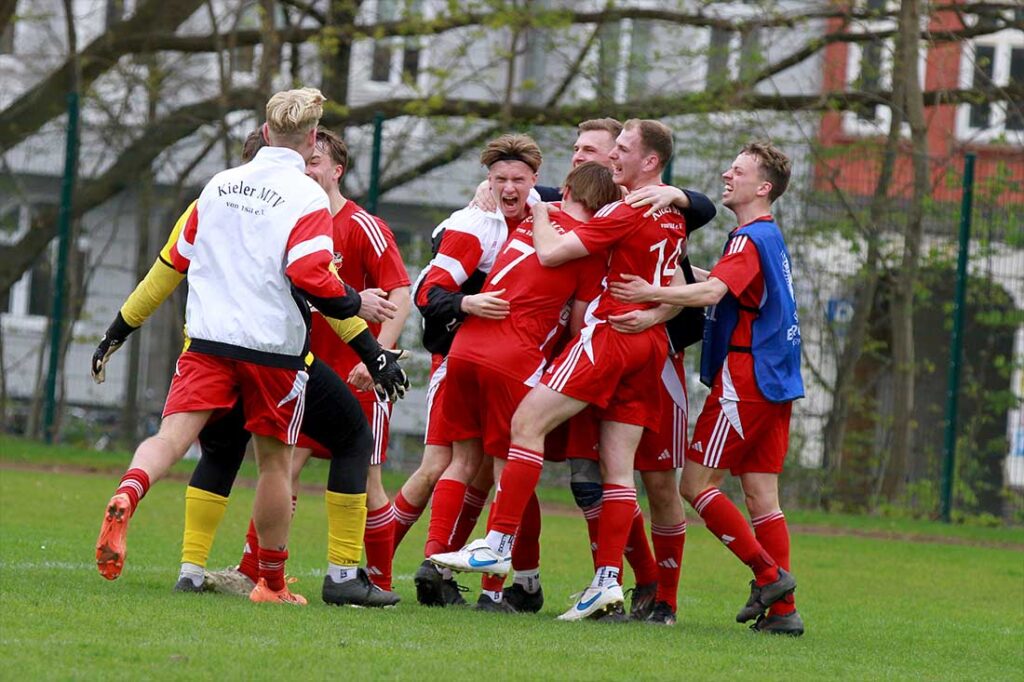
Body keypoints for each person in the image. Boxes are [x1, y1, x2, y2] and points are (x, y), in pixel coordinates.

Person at [93, 87, 395, 606]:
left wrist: (118, 330)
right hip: (272, 351)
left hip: (206, 342)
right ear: (312, 139)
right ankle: (274, 584)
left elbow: (167, 271)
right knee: (275, 465)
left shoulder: (216, 187)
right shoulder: (306, 197)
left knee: (172, 437)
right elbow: (311, 277)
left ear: (265, 132)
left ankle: (130, 490)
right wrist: (359, 313)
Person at [432, 119, 687, 622]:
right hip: (651, 344)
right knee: (617, 472)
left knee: (525, 425)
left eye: (620, 149)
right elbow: (680, 281)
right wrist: (658, 312)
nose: (611, 157)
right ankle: (607, 582)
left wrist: (540, 212)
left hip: (609, 337)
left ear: (650, 161)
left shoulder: (620, 209)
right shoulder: (673, 213)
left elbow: (551, 252)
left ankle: (499, 545)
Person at [608, 141, 804, 636]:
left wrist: (651, 292)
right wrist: (671, 271)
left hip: (746, 378)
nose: (726, 176)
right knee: (761, 496)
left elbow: (714, 291)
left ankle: (769, 577)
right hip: (777, 378)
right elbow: (723, 284)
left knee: (694, 485)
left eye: (737, 171)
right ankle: (783, 612)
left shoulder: (748, 239)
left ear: (763, 187)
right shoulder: (766, 236)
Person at [433, 161, 620, 613]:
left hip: (463, 348)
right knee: (512, 465)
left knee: (459, 462)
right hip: (514, 357)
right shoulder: (588, 247)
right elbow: (578, 322)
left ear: (566, 190)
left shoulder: (528, 221)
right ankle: (494, 592)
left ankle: (433, 567)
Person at [409, 133, 543, 607]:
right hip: (466, 358)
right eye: (499, 179)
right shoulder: (476, 224)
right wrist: (467, 303)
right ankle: (480, 584)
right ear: (487, 179)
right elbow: (427, 292)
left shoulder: (547, 215)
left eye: (518, 180)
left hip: (510, 360)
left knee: (482, 468)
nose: (509, 188)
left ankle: (445, 569)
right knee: (472, 465)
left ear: (535, 180)